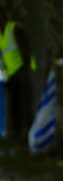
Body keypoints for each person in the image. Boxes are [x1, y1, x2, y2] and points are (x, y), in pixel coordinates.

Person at [0, 12, 34, 140]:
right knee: (12, 105)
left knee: (24, 104)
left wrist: (25, 67)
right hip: (11, 74)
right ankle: (14, 133)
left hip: (22, 70)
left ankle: (26, 131)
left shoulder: (15, 28)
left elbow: (25, 49)